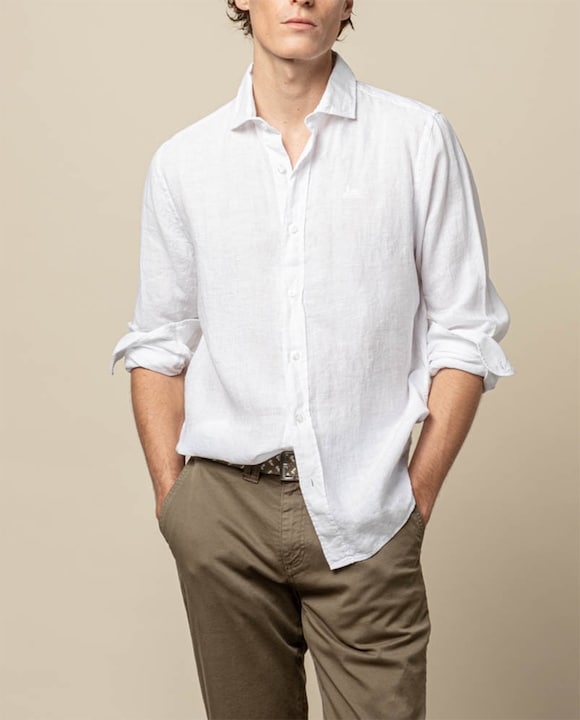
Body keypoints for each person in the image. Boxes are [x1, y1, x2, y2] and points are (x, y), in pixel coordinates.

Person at [112, 0, 514, 717]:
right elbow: (159, 343)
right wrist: (176, 504)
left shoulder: (416, 140)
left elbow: (465, 331)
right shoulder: (184, 163)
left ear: (349, 3)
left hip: (367, 511)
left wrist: (414, 500)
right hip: (222, 516)